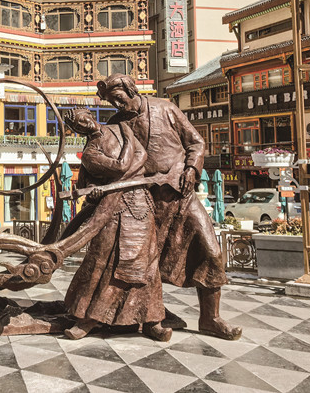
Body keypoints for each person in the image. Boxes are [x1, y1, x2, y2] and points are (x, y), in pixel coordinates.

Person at [97, 74, 242, 341]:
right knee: (146, 264)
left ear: (131, 90)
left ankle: (210, 318)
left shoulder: (165, 108)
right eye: (111, 102)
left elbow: (196, 142)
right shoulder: (116, 124)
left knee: (211, 251)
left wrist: (191, 169)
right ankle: (150, 317)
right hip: (145, 202)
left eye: (118, 98)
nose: (116, 105)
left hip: (181, 194)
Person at [61, 108, 170, 342]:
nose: (83, 124)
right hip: (113, 207)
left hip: (140, 204)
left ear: (89, 114)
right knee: (102, 259)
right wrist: (129, 141)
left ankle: (152, 320)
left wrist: (124, 171)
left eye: (83, 118)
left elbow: (142, 158)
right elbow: (121, 165)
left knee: (147, 263)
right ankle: (88, 317)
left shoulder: (118, 129)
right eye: (77, 125)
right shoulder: (90, 153)